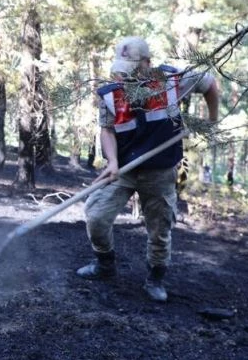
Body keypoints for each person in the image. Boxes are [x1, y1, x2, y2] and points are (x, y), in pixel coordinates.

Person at [77, 36, 220, 302]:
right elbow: (107, 129)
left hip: (160, 170)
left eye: (132, 68)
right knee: (96, 216)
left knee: (159, 229)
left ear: (147, 63)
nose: (126, 75)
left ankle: (155, 278)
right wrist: (112, 161)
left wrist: (212, 120)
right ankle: (105, 265)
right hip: (124, 168)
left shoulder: (171, 81)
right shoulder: (112, 92)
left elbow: (210, 84)